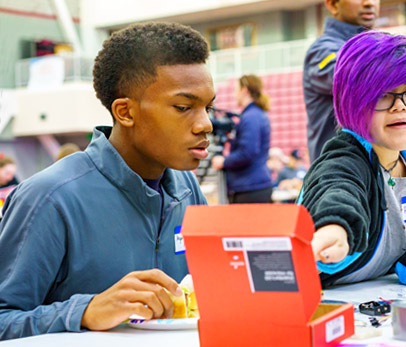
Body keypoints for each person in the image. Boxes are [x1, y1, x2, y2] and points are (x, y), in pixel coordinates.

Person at [0, 22, 213, 340]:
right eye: (184, 108)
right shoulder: (49, 198)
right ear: (125, 112)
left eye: (208, 107)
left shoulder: (187, 188)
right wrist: (84, 311)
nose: (205, 124)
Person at [299, 31, 406, 293]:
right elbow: (337, 189)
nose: (400, 106)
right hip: (322, 298)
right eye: (383, 95)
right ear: (353, 102)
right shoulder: (345, 156)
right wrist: (334, 226)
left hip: (380, 297)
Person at [303, 0, 406, 162]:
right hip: (339, 168)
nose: (369, 3)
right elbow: (356, 79)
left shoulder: (377, 46)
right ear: (333, 4)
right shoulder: (323, 50)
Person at [211, 74, 272, 203]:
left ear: (244, 90)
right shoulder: (255, 114)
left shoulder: (251, 117)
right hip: (253, 185)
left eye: (236, 90)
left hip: (249, 187)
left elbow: (247, 152)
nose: (234, 95)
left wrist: (223, 161)